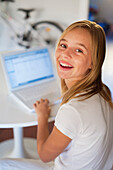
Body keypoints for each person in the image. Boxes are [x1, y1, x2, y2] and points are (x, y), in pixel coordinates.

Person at [0, 20, 113, 170]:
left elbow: (45, 156)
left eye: (79, 50)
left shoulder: (73, 110)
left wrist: (42, 116)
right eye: (63, 45)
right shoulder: (104, 91)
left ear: (94, 62)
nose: (65, 54)